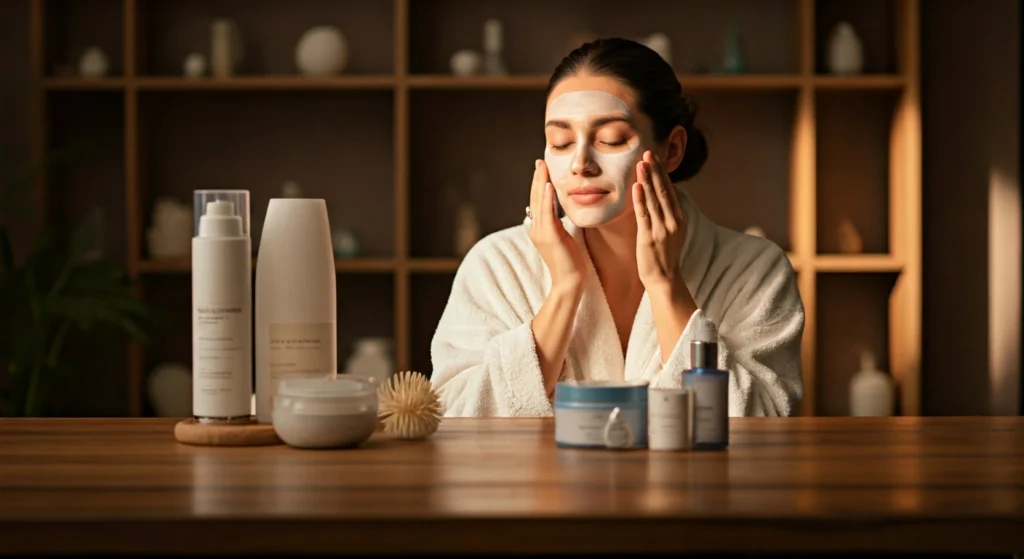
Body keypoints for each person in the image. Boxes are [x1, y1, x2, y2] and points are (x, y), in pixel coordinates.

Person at [429, 37, 804, 418]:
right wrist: (564, 289)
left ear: (671, 150)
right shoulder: (496, 265)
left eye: (611, 138)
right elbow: (456, 416)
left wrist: (666, 285)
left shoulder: (755, 270)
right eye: (559, 142)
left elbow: (763, 424)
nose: (580, 163)